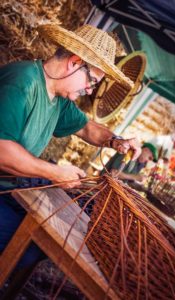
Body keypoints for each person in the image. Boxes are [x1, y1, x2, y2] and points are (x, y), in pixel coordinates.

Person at [0, 24, 141, 269]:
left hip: (10, 184)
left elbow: (87, 128)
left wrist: (116, 141)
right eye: (93, 81)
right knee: (32, 246)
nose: (90, 90)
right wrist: (54, 172)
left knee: (48, 237)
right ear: (74, 63)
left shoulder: (58, 99)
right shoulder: (22, 82)